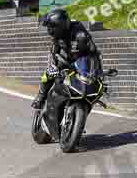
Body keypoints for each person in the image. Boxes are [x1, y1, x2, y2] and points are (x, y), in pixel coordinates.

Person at [32, 9, 100, 140]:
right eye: (49, 27)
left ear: (60, 25)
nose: (49, 30)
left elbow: (94, 54)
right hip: (63, 58)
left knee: (90, 86)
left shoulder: (81, 35)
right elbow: (53, 51)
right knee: (48, 75)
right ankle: (40, 97)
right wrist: (52, 66)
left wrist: (97, 71)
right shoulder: (56, 36)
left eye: (52, 27)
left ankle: (76, 120)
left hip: (79, 61)